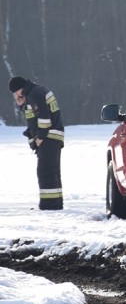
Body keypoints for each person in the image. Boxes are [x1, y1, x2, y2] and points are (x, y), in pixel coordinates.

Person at [8, 76, 65, 210]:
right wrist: (22, 104)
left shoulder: (34, 94)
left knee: (45, 171)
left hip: (48, 137)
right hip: (54, 137)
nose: (16, 95)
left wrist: (40, 137)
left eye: (16, 92)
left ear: (20, 88)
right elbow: (33, 117)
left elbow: (44, 117)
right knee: (53, 172)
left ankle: (49, 206)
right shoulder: (36, 91)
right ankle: (55, 204)